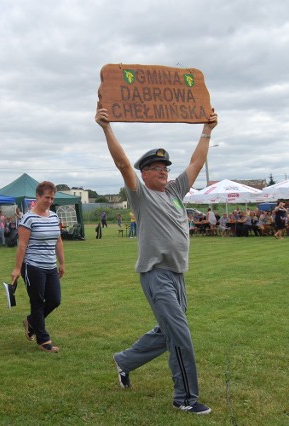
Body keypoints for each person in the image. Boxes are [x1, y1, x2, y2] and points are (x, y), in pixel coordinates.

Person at [95, 106, 218, 415]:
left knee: (167, 332)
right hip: (156, 274)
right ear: (144, 173)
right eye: (156, 167)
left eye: (165, 166)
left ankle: (125, 360)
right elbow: (122, 163)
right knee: (179, 334)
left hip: (177, 275)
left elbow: (196, 162)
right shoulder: (141, 195)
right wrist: (107, 127)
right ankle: (185, 398)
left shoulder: (175, 192)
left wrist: (207, 130)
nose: (164, 170)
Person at [11, 181, 65, 353]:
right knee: (37, 302)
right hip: (33, 266)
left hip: (50, 266)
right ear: (38, 197)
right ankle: (43, 340)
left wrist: (62, 262)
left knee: (55, 299)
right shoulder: (28, 218)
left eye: (52, 198)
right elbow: (22, 245)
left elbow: (58, 240)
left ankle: (32, 322)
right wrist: (17, 269)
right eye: (46, 197)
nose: (49, 201)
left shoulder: (54, 217)